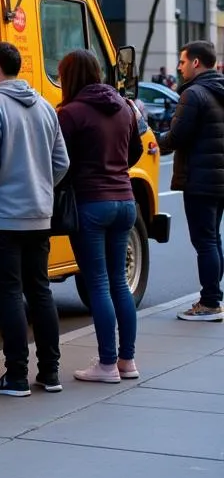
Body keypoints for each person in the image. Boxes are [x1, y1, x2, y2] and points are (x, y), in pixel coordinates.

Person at [0, 41, 69, 396]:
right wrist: (38, 186)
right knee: (40, 292)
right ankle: (51, 373)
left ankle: (15, 375)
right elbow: (62, 164)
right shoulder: (44, 106)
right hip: (38, 215)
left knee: (9, 294)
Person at [57, 49, 144, 383]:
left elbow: (59, 161)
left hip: (91, 203)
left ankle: (106, 364)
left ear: (68, 77)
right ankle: (127, 362)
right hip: (125, 200)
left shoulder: (71, 113)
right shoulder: (124, 107)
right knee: (119, 282)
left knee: (98, 284)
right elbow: (134, 150)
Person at [157, 40, 224, 322]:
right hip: (219, 177)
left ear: (196, 62)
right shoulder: (219, 90)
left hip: (200, 178)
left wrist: (154, 141)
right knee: (213, 238)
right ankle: (213, 297)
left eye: (183, 61)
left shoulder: (194, 94)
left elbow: (176, 136)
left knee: (205, 240)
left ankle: (210, 303)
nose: (179, 67)